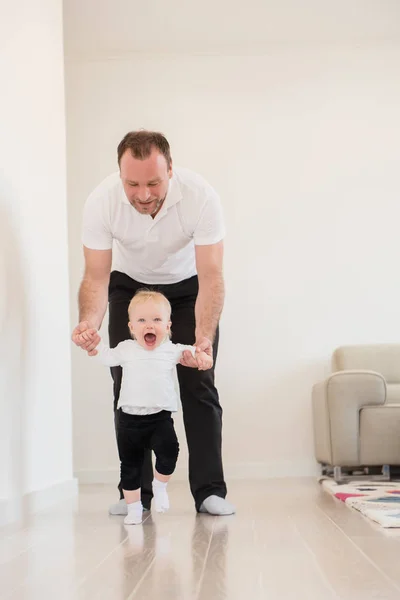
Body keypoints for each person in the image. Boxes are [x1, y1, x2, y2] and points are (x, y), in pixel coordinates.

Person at [71, 129, 235, 516]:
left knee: (198, 383)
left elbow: (211, 275)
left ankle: (210, 490)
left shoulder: (201, 197)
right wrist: (88, 323)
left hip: (188, 289)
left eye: (154, 182)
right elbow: (95, 276)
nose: (143, 194)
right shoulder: (102, 202)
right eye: (132, 184)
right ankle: (136, 493)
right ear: (120, 176)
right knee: (127, 387)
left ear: (171, 171)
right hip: (128, 287)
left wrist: (203, 338)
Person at [80, 290, 213, 525]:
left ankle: (159, 486)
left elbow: (193, 352)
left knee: (170, 452)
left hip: (160, 417)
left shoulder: (171, 349)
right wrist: (94, 348)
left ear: (168, 326)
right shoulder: (126, 348)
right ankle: (134, 508)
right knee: (130, 466)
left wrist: (202, 357)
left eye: (156, 320)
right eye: (141, 320)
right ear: (131, 327)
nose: (149, 325)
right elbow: (106, 356)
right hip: (129, 419)